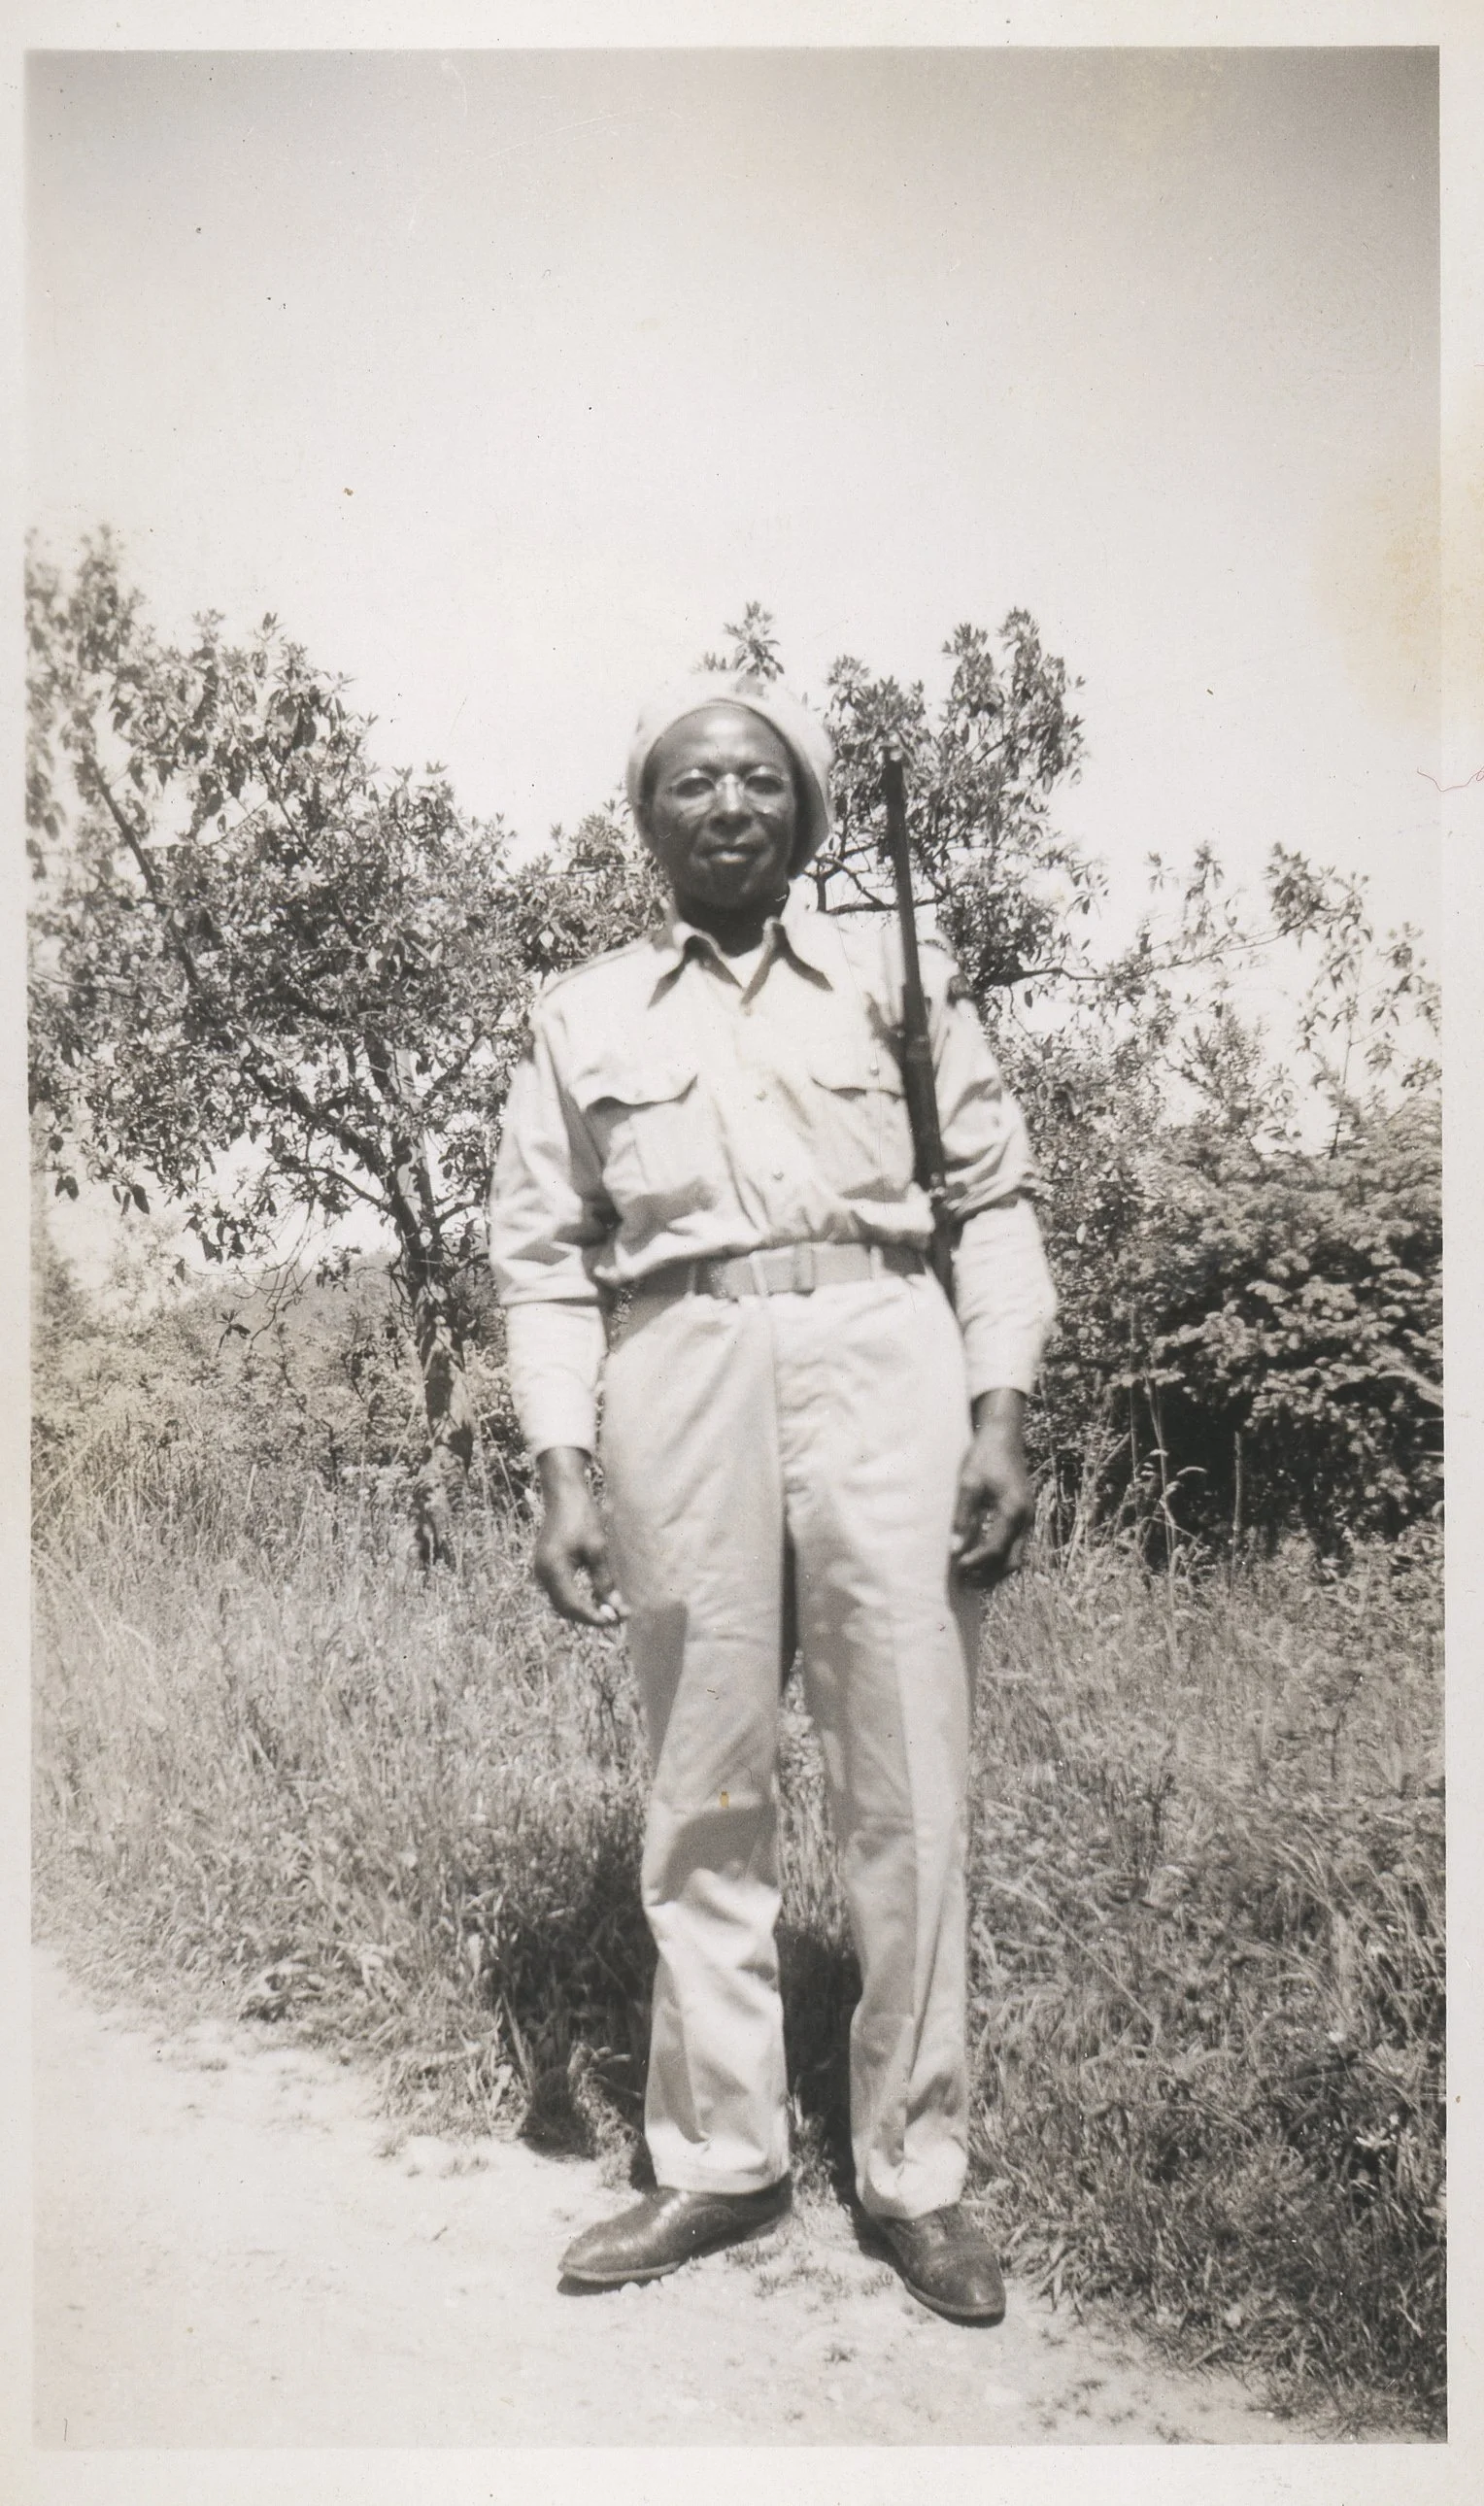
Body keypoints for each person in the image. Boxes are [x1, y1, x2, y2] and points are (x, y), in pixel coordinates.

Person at [489, 671, 1057, 2322]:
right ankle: (721, 2162)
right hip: (678, 1369)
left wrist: (997, 1415)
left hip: (885, 1346)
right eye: (690, 784)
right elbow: (538, 1264)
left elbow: (999, 1205)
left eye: (757, 781)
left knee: (908, 1778)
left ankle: (914, 2175)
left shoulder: (900, 977)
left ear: (804, 817)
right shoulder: (581, 1012)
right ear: (647, 822)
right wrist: (561, 1469)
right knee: (703, 1784)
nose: (726, 804)